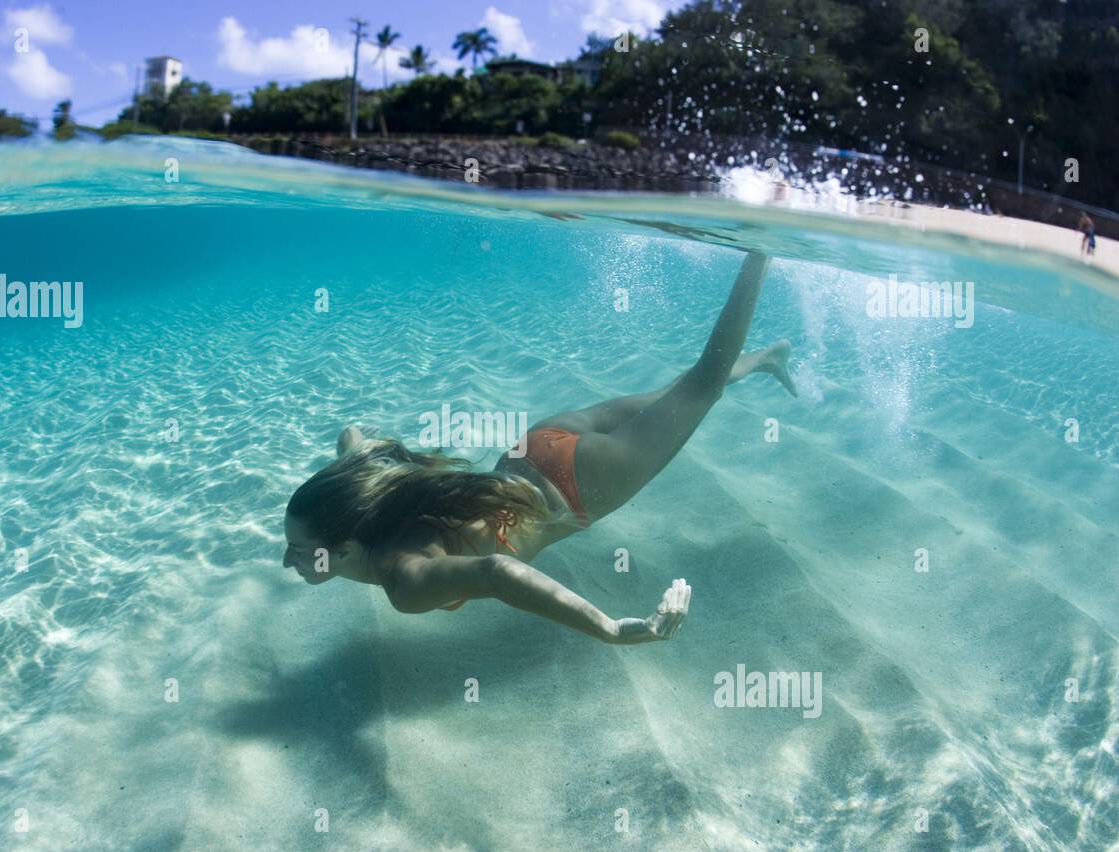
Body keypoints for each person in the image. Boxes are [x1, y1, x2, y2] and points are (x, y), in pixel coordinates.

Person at [284, 252, 793, 644]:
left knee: (700, 386)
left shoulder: (404, 582)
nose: (289, 562)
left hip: (579, 486)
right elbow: (353, 436)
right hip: (534, 447)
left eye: (302, 551)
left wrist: (608, 629)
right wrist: (351, 466)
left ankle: (760, 249)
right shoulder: (371, 507)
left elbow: (497, 571)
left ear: (346, 548)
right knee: (679, 393)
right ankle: (768, 358)